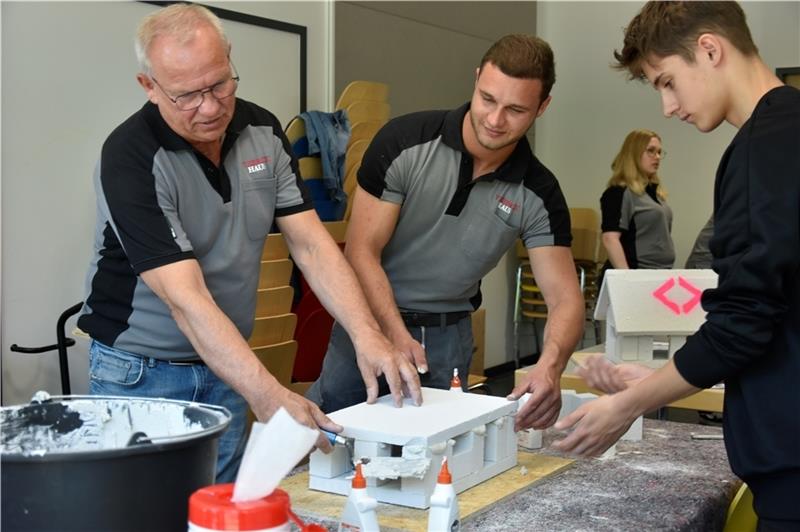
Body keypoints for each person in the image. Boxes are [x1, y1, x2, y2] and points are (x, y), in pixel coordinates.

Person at [77, 3, 421, 483]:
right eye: (188, 96)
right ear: (149, 87)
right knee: (146, 512)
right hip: (139, 373)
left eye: (220, 83)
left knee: (225, 508)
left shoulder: (261, 130)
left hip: (228, 360)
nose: (212, 107)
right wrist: (266, 392)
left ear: (230, 57)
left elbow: (312, 245)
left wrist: (366, 333)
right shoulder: (130, 158)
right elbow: (186, 299)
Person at [553, 2, 800, 527]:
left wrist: (628, 404)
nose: (668, 107)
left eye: (667, 82)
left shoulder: (761, 148)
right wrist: (660, 379)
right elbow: (781, 323)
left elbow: (742, 326)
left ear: (710, 49)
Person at [307, 34, 585, 433]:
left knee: (439, 456)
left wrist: (551, 364)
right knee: (335, 440)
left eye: (515, 110)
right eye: (488, 99)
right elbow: (362, 251)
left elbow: (564, 298)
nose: (494, 119)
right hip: (366, 321)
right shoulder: (404, 142)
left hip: (448, 336)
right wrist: (393, 331)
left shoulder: (540, 193)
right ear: (476, 80)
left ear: (542, 107)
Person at [599, 129, 675, 287]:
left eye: (660, 152)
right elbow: (610, 239)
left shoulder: (655, 194)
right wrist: (627, 280)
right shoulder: (618, 192)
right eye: (651, 151)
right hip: (636, 275)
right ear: (634, 153)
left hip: (660, 275)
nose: (657, 157)